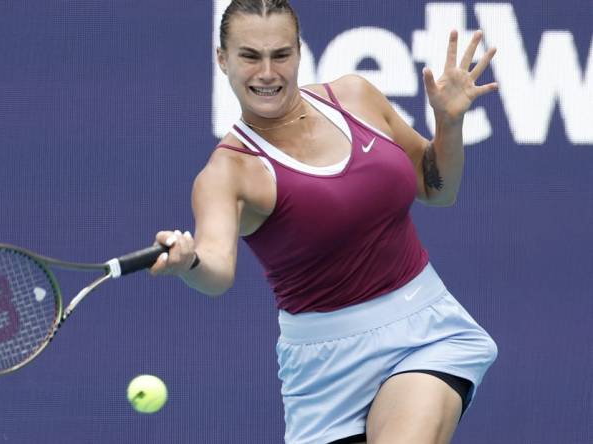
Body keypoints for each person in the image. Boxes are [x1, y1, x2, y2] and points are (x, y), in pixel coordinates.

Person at [151, 1, 498, 443]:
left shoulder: (354, 96)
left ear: (299, 52)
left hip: (424, 330)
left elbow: (436, 190)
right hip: (324, 371)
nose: (267, 73)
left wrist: (449, 123)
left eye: (281, 54)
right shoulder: (228, 172)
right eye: (249, 56)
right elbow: (216, 269)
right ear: (222, 59)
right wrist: (189, 263)